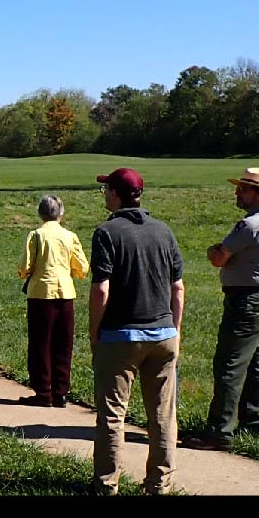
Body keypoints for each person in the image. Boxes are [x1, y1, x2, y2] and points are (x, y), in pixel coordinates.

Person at [88, 167, 184, 495]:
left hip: (120, 336)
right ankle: (159, 484)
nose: (104, 195)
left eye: (106, 190)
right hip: (163, 333)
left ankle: (106, 485)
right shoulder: (164, 231)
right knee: (162, 416)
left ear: (116, 194)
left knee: (113, 415)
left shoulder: (107, 232)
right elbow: (178, 288)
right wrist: (176, 329)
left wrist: (94, 332)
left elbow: (101, 290)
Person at [185, 168, 259, 451]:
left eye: (244, 188)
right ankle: (254, 425)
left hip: (247, 301)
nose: (237, 192)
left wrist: (212, 251)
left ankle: (219, 432)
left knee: (229, 364)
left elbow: (218, 257)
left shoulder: (250, 225)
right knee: (257, 363)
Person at [18, 194, 89, 408]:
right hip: (66, 293)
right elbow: (82, 267)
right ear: (61, 213)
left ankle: (43, 391)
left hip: (41, 293)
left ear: (41, 213)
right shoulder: (70, 236)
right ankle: (61, 391)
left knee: (41, 344)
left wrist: (26, 273)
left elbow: (25, 267)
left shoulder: (36, 235)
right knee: (63, 344)